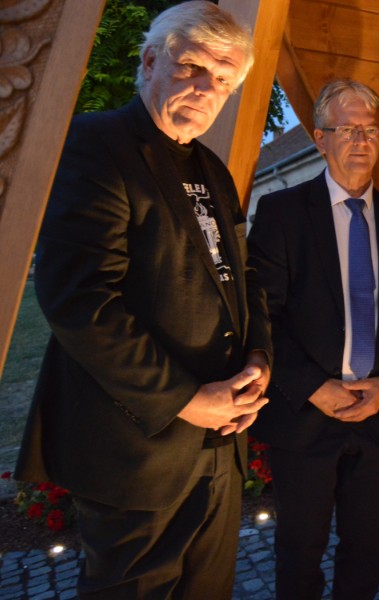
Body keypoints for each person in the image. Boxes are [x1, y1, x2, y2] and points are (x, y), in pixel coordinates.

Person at [14, 3, 272, 598]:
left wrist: (259, 358)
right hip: (136, 449)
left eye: (223, 79)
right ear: (152, 60)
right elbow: (80, 301)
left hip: (221, 444)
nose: (206, 89)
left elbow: (243, 276)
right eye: (192, 67)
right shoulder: (94, 144)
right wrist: (186, 400)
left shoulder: (213, 170)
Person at [247, 79, 379, 600]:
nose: (361, 140)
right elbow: (263, 315)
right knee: (300, 552)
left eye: (371, 130)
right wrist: (312, 386)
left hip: (377, 415)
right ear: (321, 139)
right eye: (348, 129)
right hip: (306, 416)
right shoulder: (282, 214)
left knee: (367, 550)